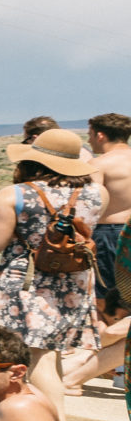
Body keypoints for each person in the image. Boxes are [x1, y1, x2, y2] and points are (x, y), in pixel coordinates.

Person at [0, 127, 104, 421]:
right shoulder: (99, 193)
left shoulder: (16, 194)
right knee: (52, 354)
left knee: (39, 357)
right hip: (75, 282)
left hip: (30, 282)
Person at [88, 113, 131, 297]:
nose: (89, 141)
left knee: (109, 296)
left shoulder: (99, 164)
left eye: (90, 135)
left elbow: (91, 204)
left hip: (111, 233)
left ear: (100, 135)